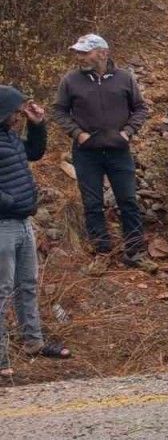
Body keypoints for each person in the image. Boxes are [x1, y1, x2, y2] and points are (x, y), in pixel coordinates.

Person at [49, 34, 155, 272]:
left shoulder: (124, 78)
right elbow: (59, 111)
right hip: (86, 153)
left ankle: (135, 252)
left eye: (84, 52)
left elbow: (140, 108)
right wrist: (77, 133)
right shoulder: (70, 80)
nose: (80, 57)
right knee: (92, 204)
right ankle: (102, 253)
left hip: (119, 151)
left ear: (103, 53)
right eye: (78, 52)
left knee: (128, 201)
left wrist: (127, 132)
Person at [0, 86, 71, 379]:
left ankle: (33, 342)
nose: (19, 116)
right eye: (16, 111)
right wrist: (10, 202)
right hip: (3, 225)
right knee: (2, 290)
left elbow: (35, 152)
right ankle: (1, 359)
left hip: (22, 223)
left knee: (27, 284)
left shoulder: (10, 137)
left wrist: (37, 124)